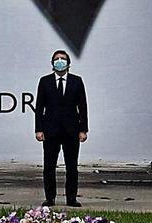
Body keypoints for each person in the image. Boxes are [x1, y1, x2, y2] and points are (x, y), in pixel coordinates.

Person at [34, 50, 88, 207]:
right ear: (52, 63)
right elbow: (39, 107)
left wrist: (83, 129)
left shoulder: (77, 81)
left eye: (62, 59)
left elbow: (82, 107)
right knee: (49, 167)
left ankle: (71, 198)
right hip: (50, 130)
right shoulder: (45, 81)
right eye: (56, 59)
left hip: (72, 130)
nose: (59, 61)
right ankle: (50, 198)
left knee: (72, 167)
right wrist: (39, 129)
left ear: (68, 63)